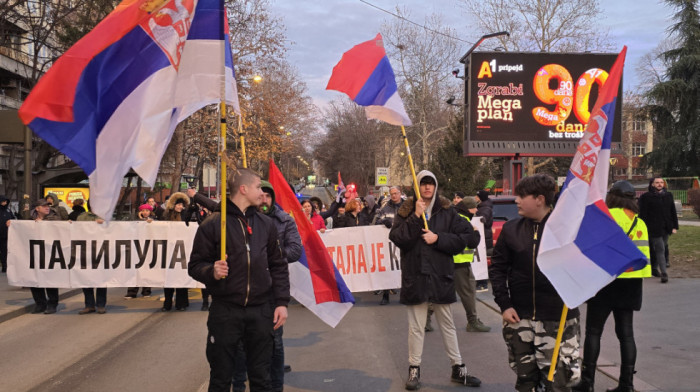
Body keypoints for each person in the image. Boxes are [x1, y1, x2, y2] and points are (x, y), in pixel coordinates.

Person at [188, 168, 289, 392]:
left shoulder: (265, 224)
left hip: (261, 311)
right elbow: (195, 266)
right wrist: (211, 271)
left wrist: (281, 302)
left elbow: (278, 266)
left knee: (261, 378)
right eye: (258, 187)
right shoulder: (214, 224)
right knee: (221, 378)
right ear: (243, 189)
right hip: (225, 312)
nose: (262, 193)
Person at [389, 170, 481, 390]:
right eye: (423, 183)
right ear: (417, 186)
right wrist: (414, 216)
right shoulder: (405, 211)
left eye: (431, 183)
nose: (427, 187)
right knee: (416, 327)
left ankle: (458, 368)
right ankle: (414, 369)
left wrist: (438, 238)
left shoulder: (448, 212)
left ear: (436, 186)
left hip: (441, 276)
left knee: (448, 325)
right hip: (416, 276)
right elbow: (398, 238)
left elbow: (469, 238)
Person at [489, 174, 581, 392]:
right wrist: (505, 304)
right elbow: (498, 269)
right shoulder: (511, 230)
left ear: (540, 199)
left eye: (522, 196)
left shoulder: (568, 230)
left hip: (558, 321)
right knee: (525, 382)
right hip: (519, 319)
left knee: (558, 383)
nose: (516, 200)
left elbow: (583, 268)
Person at [573, 181, 651, 392]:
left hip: (605, 280)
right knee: (626, 334)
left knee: (593, 332)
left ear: (612, 197)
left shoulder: (606, 218)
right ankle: (627, 384)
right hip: (632, 283)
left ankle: (587, 382)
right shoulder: (639, 222)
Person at [232, 180, 302, 392]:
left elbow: (295, 249)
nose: (264, 200)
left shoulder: (284, 221)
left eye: (268, 196)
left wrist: (269, 257)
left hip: (272, 290)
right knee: (241, 344)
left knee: (274, 342)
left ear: (272, 198)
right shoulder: (242, 220)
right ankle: (240, 384)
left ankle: (275, 386)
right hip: (245, 290)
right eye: (260, 195)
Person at [453, 197, 490, 333]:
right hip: (461, 263)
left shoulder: (455, 217)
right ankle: (472, 321)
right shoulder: (464, 221)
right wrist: (475, 231)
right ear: (469, 208)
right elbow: (473, 242)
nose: (476, 211)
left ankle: (426, 320)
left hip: (452, 262)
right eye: (475, 208)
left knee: (441, 292)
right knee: (469, 292)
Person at [638, 177, 678, 283]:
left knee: (661, 247)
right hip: (653, 228)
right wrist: (643, 227)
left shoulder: (668, 195)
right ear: (652, 184)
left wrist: (675, 226)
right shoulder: (646, 197)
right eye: (657, 182)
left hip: (666, 227)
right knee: (660, 249)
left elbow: (672, 211)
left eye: (661, 182)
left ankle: (654, 268)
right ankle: (664, 273)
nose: (660, 184)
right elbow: (642, 214)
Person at [29, 198, 62, 314]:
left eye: (48, 205)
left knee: (50, 279)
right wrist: (12, 224)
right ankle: (40, 304)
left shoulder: (55, 218)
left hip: (50, 253)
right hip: (36, 254)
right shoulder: (30, 220)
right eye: (44, 206)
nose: (47, 207)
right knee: (34, 279)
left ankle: (52, 304)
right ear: (37, 209)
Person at [77, 202, 108, 314]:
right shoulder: (81, 217)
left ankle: (100, 304)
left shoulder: (105, 217)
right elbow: (76, 231)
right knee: (86, 279)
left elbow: (113, 230)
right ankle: (89, 305)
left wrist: (104, 224)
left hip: (101, 251)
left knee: (101, 279)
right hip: (85, 251)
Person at [162, 192, 191, 311]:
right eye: (178, 204)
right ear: (173, 205)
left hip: (181, 250)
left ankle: (181, 303)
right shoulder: (166, 215)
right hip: (168, 250)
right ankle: (167, 303)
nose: (180, 207)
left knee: (180, 277)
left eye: (182, 205)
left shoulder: (186, 215)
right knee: (167, 278)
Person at [375, 186, 404, 305]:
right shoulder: (385, 208)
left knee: (404, 268)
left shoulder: (407, 207)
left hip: (404, 241)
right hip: (388, 243)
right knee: (387, 268)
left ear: (400, 193)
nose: (393, 196)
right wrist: (383, 222)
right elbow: (376, 221)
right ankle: (385, 295)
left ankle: (404, 295)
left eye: (395, 193)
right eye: (391, 194)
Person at [125, 203, 154, 299]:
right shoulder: (134, 220)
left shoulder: (154, 220)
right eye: (143, 211)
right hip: (136, 248)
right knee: (134, 270)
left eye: (147, 211)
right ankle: (132, 291)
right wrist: (139, 220)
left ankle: (146, 291)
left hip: (147, 248)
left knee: (146, 270)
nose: (145, 212)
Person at [475, 190, 493, 292]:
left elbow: (483, 220)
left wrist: (479, 218)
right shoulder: (483, 207)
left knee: (481, 260)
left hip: (483, 239)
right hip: (484, 238)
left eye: (477, 196)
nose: (475, 198)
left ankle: (482, 284)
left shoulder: (484, 209)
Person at [0, 195, 15, 273]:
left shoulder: (8, 210)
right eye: (3, 201)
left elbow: (12, 219)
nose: (5, 203)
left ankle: (4, 266)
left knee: (4, 251)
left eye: (6, 201)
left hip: (6, 234)